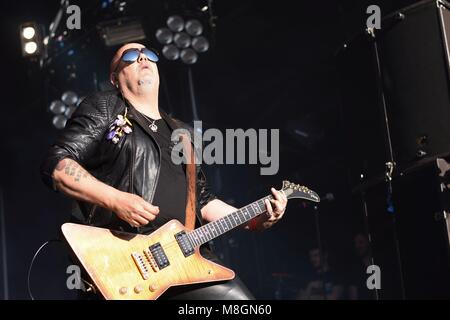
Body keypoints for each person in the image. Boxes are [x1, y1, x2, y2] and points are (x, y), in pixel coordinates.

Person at [40, 43, 288, 300]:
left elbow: (201, 201)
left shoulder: (184, 135)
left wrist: (255, 219)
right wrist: (116, 199)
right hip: (126, 262)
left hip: (184, 260)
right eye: (130, 56)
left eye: (148, 54)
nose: (142, 59)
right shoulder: (105, 107)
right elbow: (58, 165)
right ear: (114, 78)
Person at [348, 232, 375, 300]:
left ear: (368, 242)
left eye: (361, 242)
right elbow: (353, 296)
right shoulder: (355, 269)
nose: (357, 246)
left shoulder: (380, 263)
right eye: (355, 243)